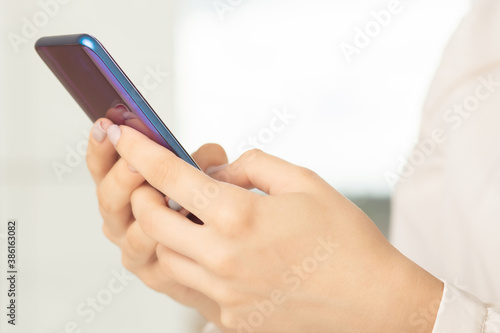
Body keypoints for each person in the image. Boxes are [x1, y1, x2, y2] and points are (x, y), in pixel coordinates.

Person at [85, 0, 500, 331]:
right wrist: (249, 301)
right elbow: (438, 278)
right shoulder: (477, 42)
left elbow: (416, 310)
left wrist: (392, 310)